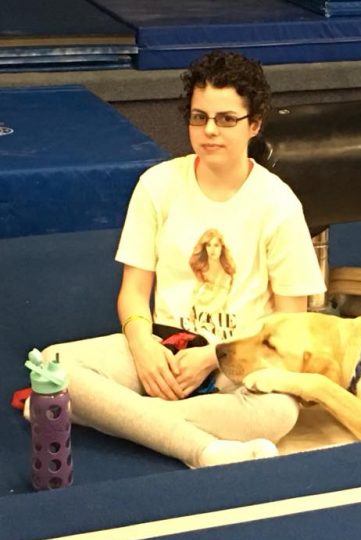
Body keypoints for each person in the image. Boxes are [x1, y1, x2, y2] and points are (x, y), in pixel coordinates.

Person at [41, 51, 326, 468]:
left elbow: (289, 324)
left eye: (226, 119)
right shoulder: (157, 185)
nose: (209, 130)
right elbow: (134, 294)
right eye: (199, 117)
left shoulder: (277, 204)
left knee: (280, 411)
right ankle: (204, 448)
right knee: (54, 363)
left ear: (255, 124)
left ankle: (110, 415)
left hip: (236, 361)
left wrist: (215, 356)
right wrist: (142, 347)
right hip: (163, 349)